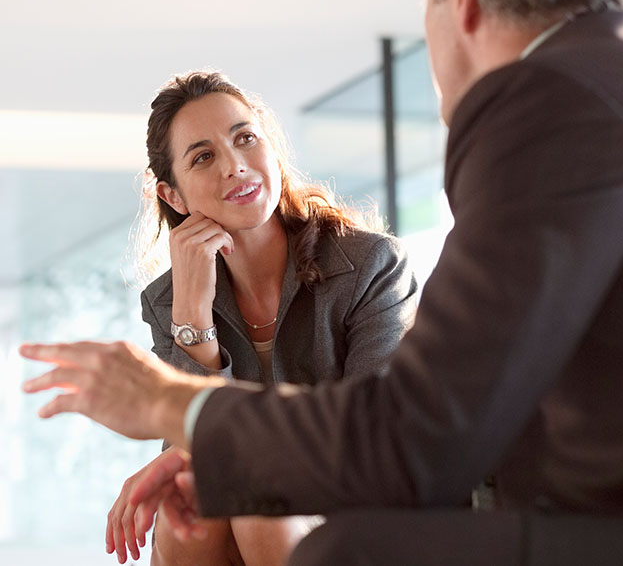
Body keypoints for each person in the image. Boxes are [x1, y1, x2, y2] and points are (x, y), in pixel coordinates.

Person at [21, 0, 623, 564]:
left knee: (339, 553)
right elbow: (476, 403)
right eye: (202, 156)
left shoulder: (555, 100)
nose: (234, 165)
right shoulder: (617, 81)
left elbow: (413, 438)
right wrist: (212, 438)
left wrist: (168, 403)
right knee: (206, 511)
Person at [103, 70, 417, 566]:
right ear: (173, 197)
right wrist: (192, 317)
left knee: (250, 494)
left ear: (270, 149)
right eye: (203, 156)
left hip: (353, 515)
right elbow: (186, 451)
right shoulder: (167, 303)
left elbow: (371, 439)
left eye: (245, 138)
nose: (235, 166)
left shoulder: (371, 267)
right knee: (196, 499)